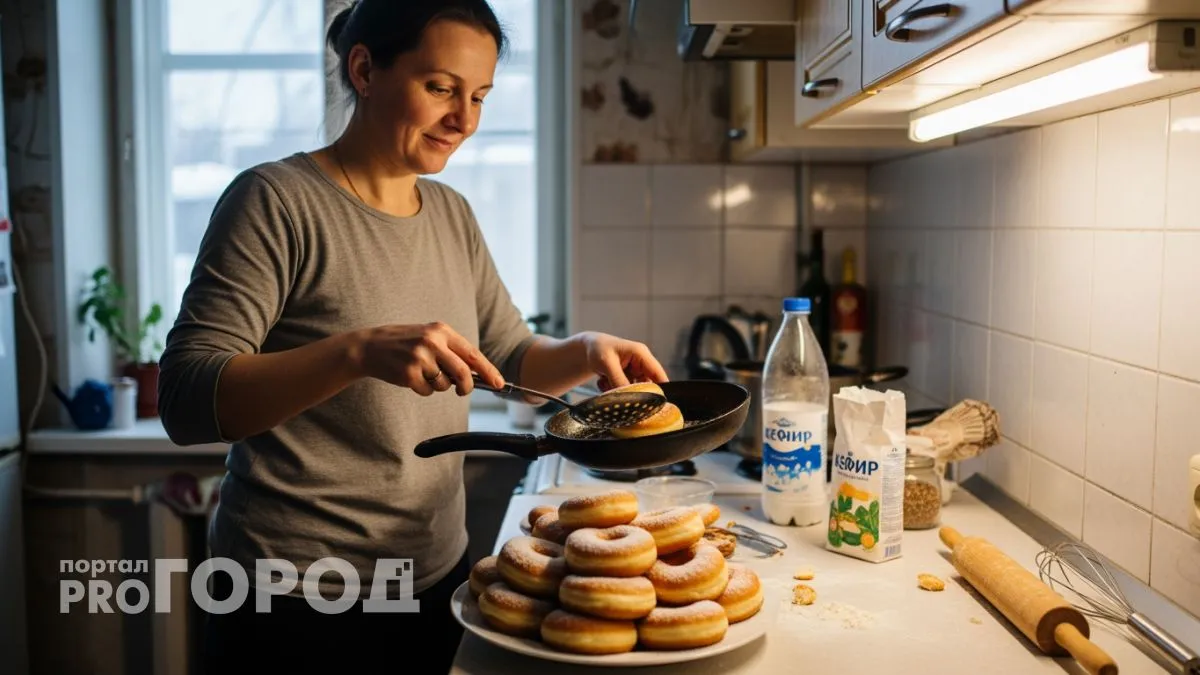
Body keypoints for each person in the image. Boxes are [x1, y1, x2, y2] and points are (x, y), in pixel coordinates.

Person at [156, 1, 669, 673]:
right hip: (293, 597)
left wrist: (585, 349)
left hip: (432, 575)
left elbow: (510, 356)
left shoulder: (451, 214)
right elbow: (186, 398)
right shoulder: (275, 201)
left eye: (479, 96)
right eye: (441, 88)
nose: (465, 119)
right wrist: (359, 351)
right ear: (365, 68)